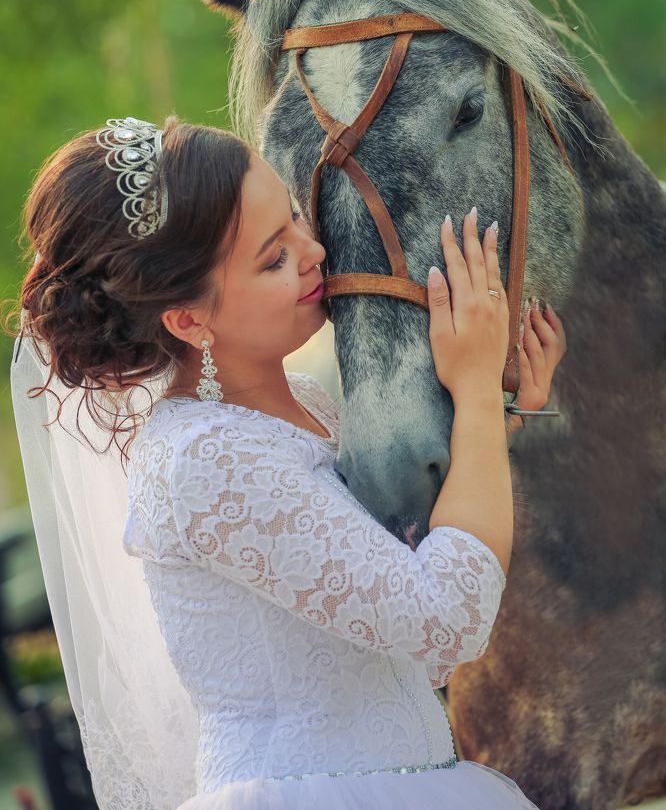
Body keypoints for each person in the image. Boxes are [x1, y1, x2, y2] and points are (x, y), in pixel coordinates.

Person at [9, 115, 566, 810]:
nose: (314, 251)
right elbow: (445, 617)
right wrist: (475, 389)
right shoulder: (205, 459)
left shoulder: (307, 406)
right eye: (273, 258)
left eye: (297, 218)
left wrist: (498, 421)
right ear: (189, 320)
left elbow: (417, 651)